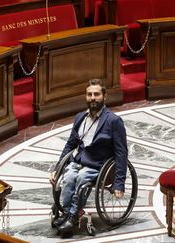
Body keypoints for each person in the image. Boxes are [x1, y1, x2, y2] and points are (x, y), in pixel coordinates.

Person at [49, 78, 128, 235]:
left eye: (96, 94)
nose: (93, 98)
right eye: (89, 94)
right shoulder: (80, 118)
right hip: (78, 161)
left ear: (104, 97)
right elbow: (70, 145)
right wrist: (57, 169)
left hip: (98, 165)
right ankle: (66, 212)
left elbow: (121, 152)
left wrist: (119, 183)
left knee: (81, 179)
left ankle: (72, 215)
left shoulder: (113, 121)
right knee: (68, 178)